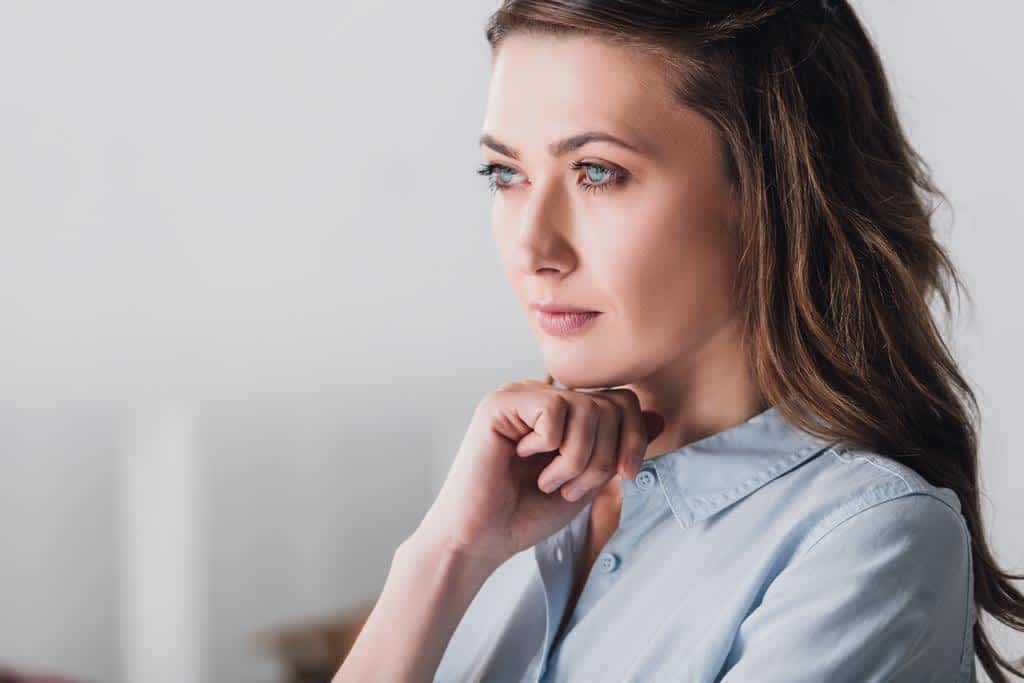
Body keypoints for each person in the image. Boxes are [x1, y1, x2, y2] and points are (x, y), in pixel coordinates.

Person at [334, 1, 1024, 681]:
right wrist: (443, 555)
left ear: (768, 190)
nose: (532, 246)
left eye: (597, 172)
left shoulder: (865, 541)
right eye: (505, 173)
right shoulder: (505, 502)